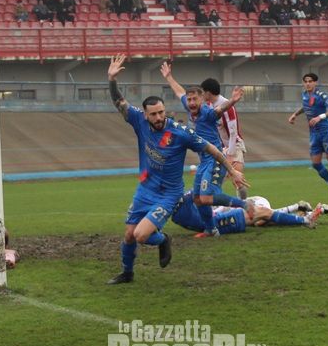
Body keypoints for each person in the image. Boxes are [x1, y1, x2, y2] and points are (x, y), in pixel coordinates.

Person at [105, 54, 247, 285]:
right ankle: (127, 273)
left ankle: (163, 240)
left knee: (141, 235)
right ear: (145, 115)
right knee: (129, 234)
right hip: (145, 189)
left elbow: (211, 148)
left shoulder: (180, 133)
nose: (159, 117)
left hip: (168, 194)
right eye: (154, 114)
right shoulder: (139, 121)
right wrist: (112, 80)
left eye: (161, 112)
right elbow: (119, 102)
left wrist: (231, 170)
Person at [160, 62, 246, 238]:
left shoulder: (206, 112)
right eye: (189, 99)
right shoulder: (189, 108)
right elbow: (179, 92)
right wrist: (169, 77)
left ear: (202, 100)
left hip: (215, 159)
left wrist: (233, 101)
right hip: (204, 161)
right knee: (198, 199)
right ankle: (210, 229)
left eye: (195, 99)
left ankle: (244, 205)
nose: (191, 102)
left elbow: (220, 110)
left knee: (206, 197)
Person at [287, 72, 328, 204]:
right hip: (314, 133)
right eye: (305, 81)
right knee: (315, 163)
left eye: (310, 81)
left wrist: (320, 117)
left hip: (326, 131)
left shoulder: (321, 95)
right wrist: (295, 114)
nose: (308, 83)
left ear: (315, 82)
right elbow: (305, 106)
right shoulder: (305, 95)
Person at [170, 192, 328, 235]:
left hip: (217, 219)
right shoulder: (183, 200)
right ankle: (305, 218)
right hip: (219, 221)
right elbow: (206, 198)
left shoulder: (175, 211)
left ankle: (302, 217)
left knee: (262, 217)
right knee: (261, 214)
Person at [201, 78, 247, 199]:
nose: (202, 94)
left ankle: (244, 205)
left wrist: (230, 155)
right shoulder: (209, 106)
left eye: (203, 92)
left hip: (235, 145)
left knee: (238, 181)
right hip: (221, 147)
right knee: (214, 179)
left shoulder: (227, 106)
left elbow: (233, 133)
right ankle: (212, 205)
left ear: (208, 93)